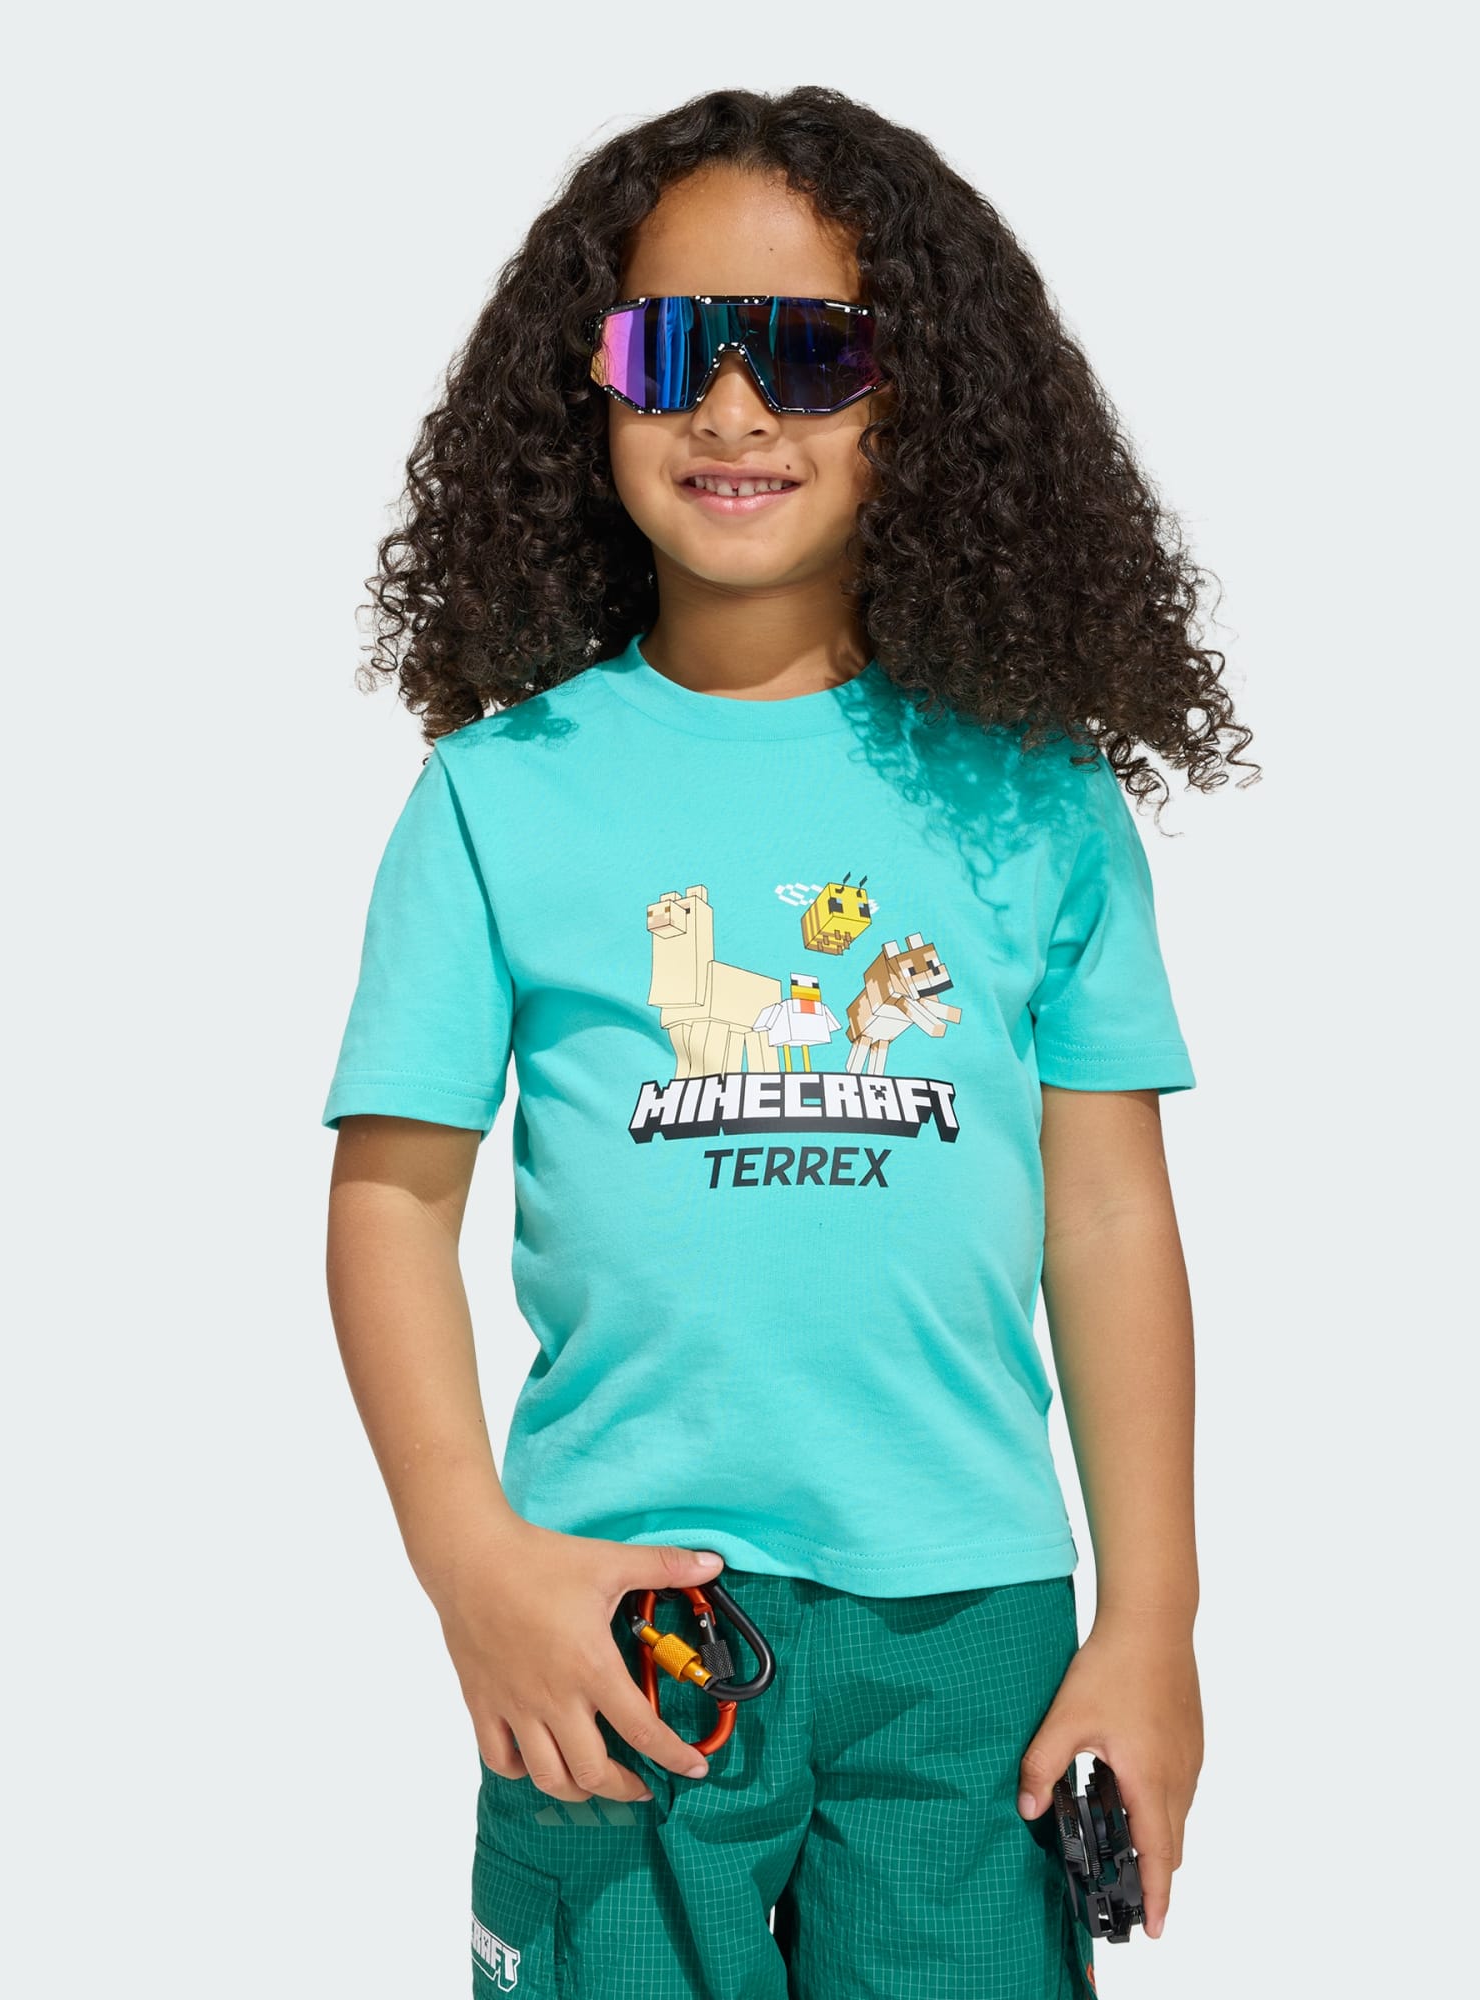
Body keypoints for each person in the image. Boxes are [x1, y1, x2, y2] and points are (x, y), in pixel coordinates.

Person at [321, 84, 1253, 2000]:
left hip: (969, 1635)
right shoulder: (500, 797)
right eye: (674, 352)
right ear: (588, 390)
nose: (734, 410)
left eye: (811, 353)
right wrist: (470, 1562)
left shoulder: (1037, 802)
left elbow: (1108, 1222)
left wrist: (1151, 1618)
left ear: (924, 402)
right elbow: (391, 1205)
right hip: (619, 1615)